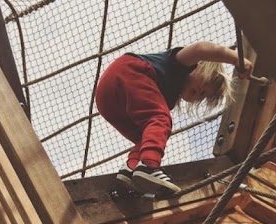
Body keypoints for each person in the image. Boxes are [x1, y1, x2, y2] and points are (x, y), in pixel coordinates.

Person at [95, 41, 253, 194]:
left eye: (204, 95)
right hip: (128, 71)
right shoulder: (180, 64)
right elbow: (200, 48)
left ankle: (131, 168)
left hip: (107, 99)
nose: (199, 93)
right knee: (161, 119)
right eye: (203, 84)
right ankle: (149, 165)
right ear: (199, 67)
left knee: (145, 136)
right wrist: (235, 59)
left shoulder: (167, 96)